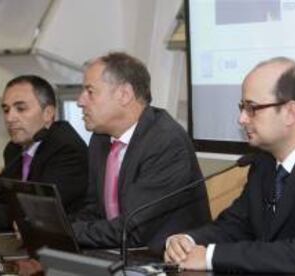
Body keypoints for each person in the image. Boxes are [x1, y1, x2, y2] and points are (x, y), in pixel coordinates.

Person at [164, 57, 295, 275]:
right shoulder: (264, 161)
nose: (242, 119)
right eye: (242, 107)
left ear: (290, 112)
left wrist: (210, 256)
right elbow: (236, 225)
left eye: (252, 108)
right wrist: (188, 241)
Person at [71, 52, 211, 251]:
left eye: (90, 91)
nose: (80, 101)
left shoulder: (165, 141)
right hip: (119, 254)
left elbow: (133, 230)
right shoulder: (101, 139)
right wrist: (55, 228)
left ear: (124, 95)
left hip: (166, 262)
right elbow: (93, 209)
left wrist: (68, 231)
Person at [0, 75, 88, 231]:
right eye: (6, 110)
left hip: (62, 247)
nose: (10, 118)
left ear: (48, 113)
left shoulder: (67, 150)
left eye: (21, 109)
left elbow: (33, 212)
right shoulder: (14, 149)